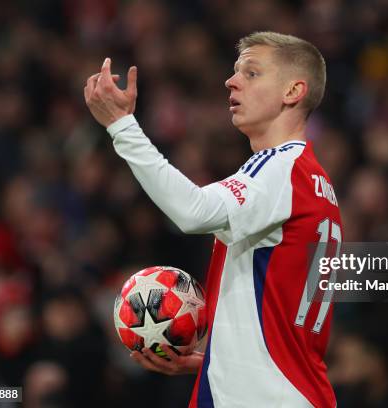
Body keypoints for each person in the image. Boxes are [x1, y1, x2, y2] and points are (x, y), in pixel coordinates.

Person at [85, 31, 342, 408]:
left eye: (251, 73)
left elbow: (193, 212)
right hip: (282, 391)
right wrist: (216, 362)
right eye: (236, 71)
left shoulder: (281, 169)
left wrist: (122, 126)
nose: (231, 81)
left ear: (293, 91)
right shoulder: (312, 180)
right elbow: (283, 314)